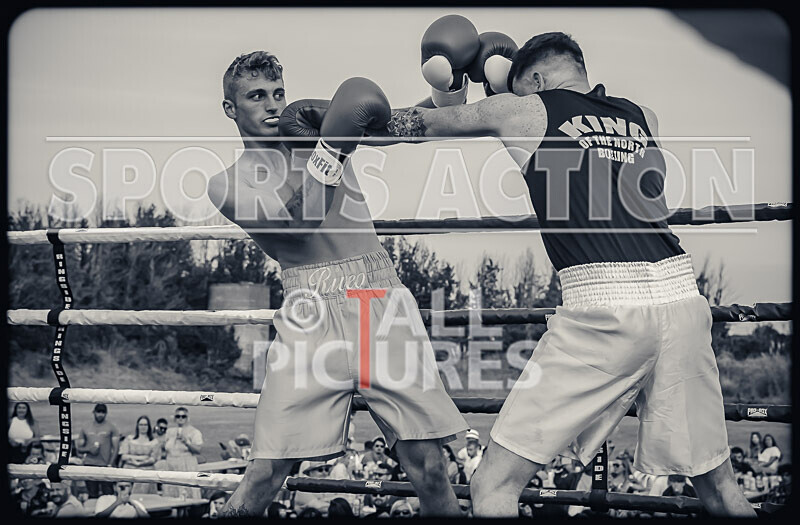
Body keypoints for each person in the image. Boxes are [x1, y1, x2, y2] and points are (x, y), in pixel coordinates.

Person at [374, 28, 759, 518]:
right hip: (682, 298)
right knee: (719, 485)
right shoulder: (643, 117)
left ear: (533, 79)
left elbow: (405, 126)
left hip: (605, 308)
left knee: (493, 485)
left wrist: (448, 91)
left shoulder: (524, 109)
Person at [207, 51, 468, 518]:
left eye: (278, 93)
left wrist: (449, 89)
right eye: (256, 96)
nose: (272, 105)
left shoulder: (317, 130)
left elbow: (407, 126)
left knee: (428, 468)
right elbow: (295, 229)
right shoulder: (227, 184)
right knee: (265, 473)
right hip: (308, 312)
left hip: (378, 300)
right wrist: (332, 149)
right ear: (231, 109)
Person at [76, 403, 119, 498]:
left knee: (108, 495)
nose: (100, 414)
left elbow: (116, 448)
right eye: (98, 412)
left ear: (106, 413)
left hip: (105, 465)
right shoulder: (86, 427)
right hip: (89, 465)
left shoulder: (111, 427)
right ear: (94, 412)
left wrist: (110, 464)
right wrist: (89, 450)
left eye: (103, 412)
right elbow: (79, 448)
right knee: (92, 494)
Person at [162, 406, 204, 499]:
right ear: (174, 418)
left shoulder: (194, 432)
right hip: (171, 466)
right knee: (171, 494)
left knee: (187, 494)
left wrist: (187, 442)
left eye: (183, 416)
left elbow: (198, 450)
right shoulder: (169, 431)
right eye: (178, 416)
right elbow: (165, 449)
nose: (180, 418)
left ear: (187, 418)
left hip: (186, 465)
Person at [118, 415, 161, 493]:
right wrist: (140, 458)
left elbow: (153, 458)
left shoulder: (154, 442)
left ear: (149, 426)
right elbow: (123, 456)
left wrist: (142, 463)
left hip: (146, 472)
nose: (143, 427)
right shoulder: (129, 439)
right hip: (129, 470)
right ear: (137, 426)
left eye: (145, 425)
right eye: (141, 425)